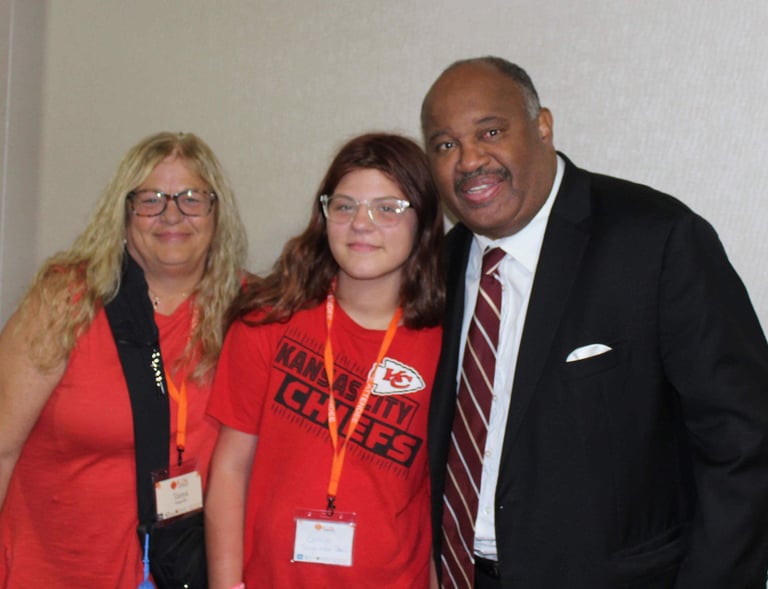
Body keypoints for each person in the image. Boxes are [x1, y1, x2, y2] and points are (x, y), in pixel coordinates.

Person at [421, 56, 768, 589]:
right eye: (445, 145)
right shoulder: (438, 266)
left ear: (543, 126)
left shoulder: (656, 240)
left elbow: (745, 440)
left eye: (490, 131)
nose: (469, 160)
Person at [0, 131, 248, 586]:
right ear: (125, 211)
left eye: (191, 198)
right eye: (151, 199)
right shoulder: (66, 301)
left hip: (182, 569)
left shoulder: (248, 314)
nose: (172, 214)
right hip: (56, 569)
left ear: (216, 212)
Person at [205, 132, 444, 589]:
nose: (361, 223)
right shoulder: (268, 321)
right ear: (325, 215)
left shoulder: (447, 344)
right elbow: (230, 468)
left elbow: (436, 496)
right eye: (344, 205)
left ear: (424, 222)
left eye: (387, 208)